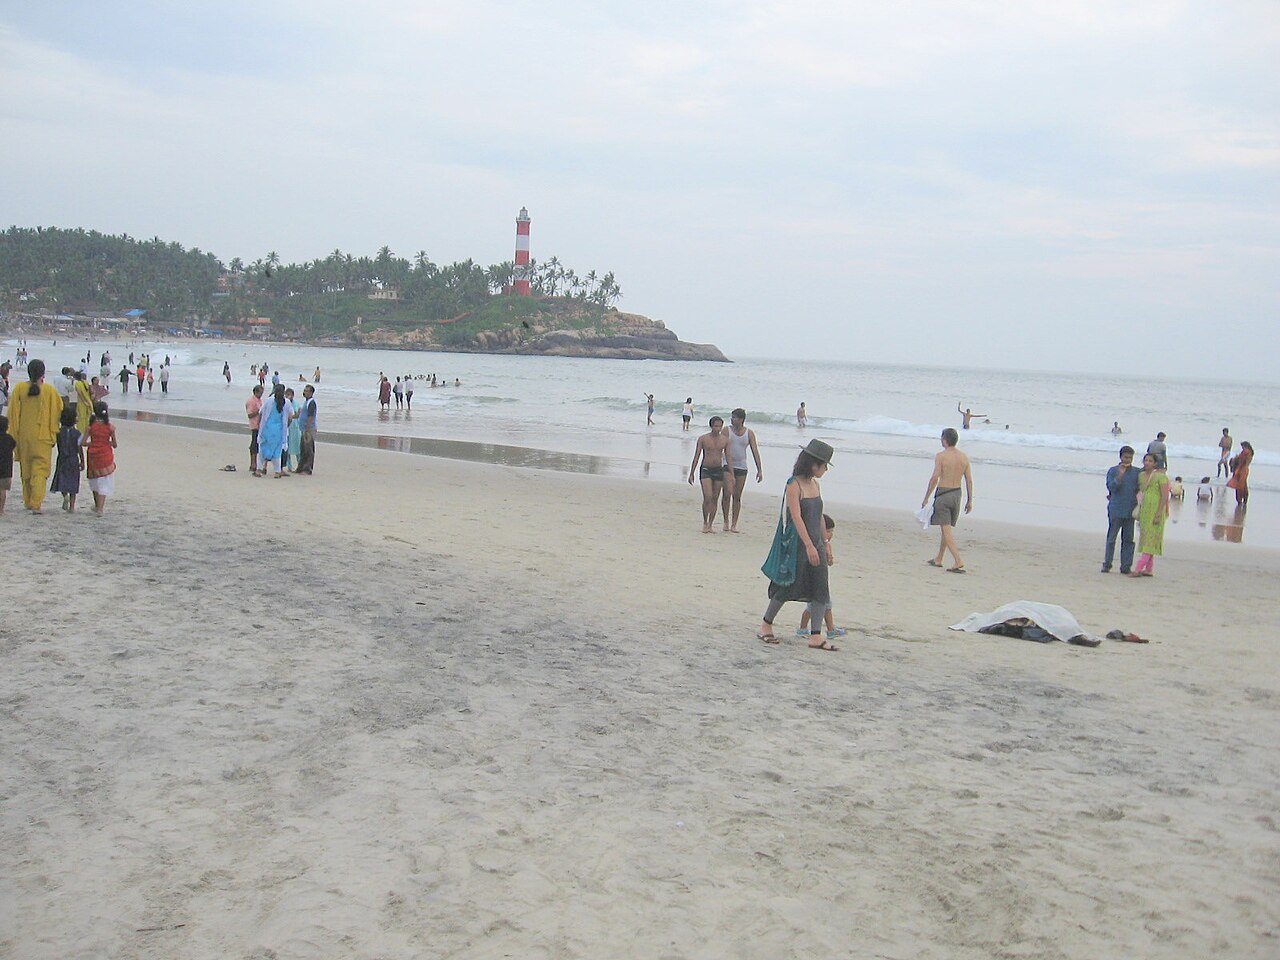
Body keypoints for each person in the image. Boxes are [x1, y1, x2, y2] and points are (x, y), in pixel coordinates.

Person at [757, 439, 838, 651]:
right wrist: (809, 546)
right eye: (824, 465)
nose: (826, 469)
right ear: (813, 464)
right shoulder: (794, 484)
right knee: (787, 587)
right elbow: (796, 517)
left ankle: (815, 636)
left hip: (817, 544)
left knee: (821, 589)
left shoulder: (815, 485)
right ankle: (766, 625)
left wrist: (825, 544)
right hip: (798, 546)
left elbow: (819, 516)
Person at [6, 359, 64, 513]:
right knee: (40, 470)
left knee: (26, 469)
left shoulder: (19, 388)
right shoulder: (50, 391)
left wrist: (13, 433)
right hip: (43, 436)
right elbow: (59, 410)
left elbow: (12, 412)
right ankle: (35, 503)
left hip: (24, 435)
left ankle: (28, 501)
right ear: (43, 373)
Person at [922, 427, 974, 572]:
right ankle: (939, 558)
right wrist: (970, 500)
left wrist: (926, 497)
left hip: (944, 494)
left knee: (946, 531)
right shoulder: (964, 457)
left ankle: (958, 560)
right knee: (946, 528)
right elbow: (969, 480)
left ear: (945, 440)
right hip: (957, 494)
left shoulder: (941, 456)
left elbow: (934, 478)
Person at [796, 514, 846, 641]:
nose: (830, 534)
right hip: (815, 580)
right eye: (828, 531)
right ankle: (829, 630)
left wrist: (830, 557)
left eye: (831, 532)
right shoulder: (815, 545)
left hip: (822, 579)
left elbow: (829, 562)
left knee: (816, 606)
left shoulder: (826, 545)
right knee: (821, 605)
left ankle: (805, 629)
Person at [721, 407, 763, 533]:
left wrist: (759, 469)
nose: (732, 419)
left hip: (742, 466)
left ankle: (734, 523)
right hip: (727, 465)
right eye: (732, 417)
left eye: (734, 417)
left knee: (737, 496)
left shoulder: (749, 433)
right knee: (727, 493)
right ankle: (725, 521)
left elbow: (755, 450)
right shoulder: (726, 430)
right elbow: (719, 446)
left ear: (741, 419)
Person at [687, 416, 731, 533]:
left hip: (718, 470)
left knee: (715, 498)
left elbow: (728, 457)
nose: (718, 428)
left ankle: (710, 524)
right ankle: (705, 521)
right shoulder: (703, 439)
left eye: (720, 426)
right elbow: (697, 456)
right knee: (708, 496)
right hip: (706, 469)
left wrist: (731, 473)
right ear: (711, 426)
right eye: (716, 426)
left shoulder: (725, 440)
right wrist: (691, 473)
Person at [1101, 445, 1139, 574]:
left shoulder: (1136, 472)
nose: (1127, 460)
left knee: (1128, 539)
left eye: (1130, 458)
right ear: (1120, 457)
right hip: (1116, 509)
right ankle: (1107, 564)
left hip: (1130, 510)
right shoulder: (1113, 471)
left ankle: (1126, 566)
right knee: (1111, 538)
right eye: (1125, 457)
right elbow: (1111, 487)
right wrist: (1120, 476)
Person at [1132, 453, 1170, 577]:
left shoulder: (1161, 477)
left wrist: (1159, 513)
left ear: (1155, 463)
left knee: (1151, 538)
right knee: (1146, 537)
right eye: (1146, 460)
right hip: (1145, 510)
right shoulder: (1141, 476)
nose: (1147, 463)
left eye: (1150, 461)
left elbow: (1164, 496)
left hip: (1156, 510)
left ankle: (1138, 568)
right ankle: (1148, 569)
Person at [81, 401, 117, 515]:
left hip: (93, 455)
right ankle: (100, 509)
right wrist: (106, 443)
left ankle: (97, 506)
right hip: (105, 454)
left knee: (95, 481)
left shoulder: (90, 427)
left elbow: (83, 443)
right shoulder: (110, 427)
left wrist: (93, 443)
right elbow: (115, 444)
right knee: (103, 482)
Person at [49, 407, 83, 512]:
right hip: (73, 459)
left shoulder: (58, 432)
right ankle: (72, 507)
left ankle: (65, 497)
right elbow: (79, 448)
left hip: (62, 459)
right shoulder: (77, 433)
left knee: (62, 480)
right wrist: (83, 461)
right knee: (73, 483)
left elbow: (53, 444)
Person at [257, 384, 289, 479]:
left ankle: (259, 469)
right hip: (278, 430)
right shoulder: (286, 402)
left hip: (267, 428)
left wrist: (259, 427)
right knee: (277, 451)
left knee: (263, 449)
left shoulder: (269, 400)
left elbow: (261, 413)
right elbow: (289, 416)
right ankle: (277, 471)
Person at [296, 385, 317, 475]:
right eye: (304, 390)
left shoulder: (311, 403)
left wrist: (307, 430)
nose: (305, 392)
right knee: (303, 449)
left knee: (308, 450)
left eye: (307, 391)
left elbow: (310, 417)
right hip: (304, 429)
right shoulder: (306, 402)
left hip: (309, 429)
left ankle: (308, 469)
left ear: (311, 393)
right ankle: (300, 468)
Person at [1226, 441, 1253, 506]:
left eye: (1243, 446)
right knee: (1243, 484)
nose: (1242, 448)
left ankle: (1239, 499)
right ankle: (1245, 499)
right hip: (1245, 469)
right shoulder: (1250, 452)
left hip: (1241, 469)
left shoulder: (1245, 452)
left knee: (1239, 485)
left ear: (1245, 446)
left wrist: (1235, 462)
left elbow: (1241, 461)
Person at [246, 384, 264, 474]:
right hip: (255, 425)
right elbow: (249, 414)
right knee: (254, 445)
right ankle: (253, 464)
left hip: (260, 425)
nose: (261, 395)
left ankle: (257, 463)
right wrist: (258, 411)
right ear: (255, 392)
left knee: (259, 445)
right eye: (260, 393)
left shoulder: (259, 400)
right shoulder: (251, 401)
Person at [283, 387, 302, 473]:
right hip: (287, 428)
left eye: (289, 395)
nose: (287, 396)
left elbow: (298, 415)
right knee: (287, 448)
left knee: (298, 448)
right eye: (286, 395)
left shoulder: (297, 404)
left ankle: (300, 465)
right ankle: (289, 466)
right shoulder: (284, 404)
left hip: (295, 428)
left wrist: (292, 416)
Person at [0, 415, 15, 514]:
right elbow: (14, 446)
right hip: (6, 469)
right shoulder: (10, 438)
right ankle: (1, 509)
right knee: (2, 490)